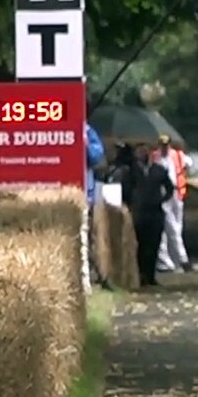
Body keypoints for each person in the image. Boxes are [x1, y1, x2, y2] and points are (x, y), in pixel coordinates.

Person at [120, 144, 174, 287]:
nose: (143, 153)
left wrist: (162, 199)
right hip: (139, 212)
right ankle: (140, 275)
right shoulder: (131, 171)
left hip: (155, 212)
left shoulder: (159, 170)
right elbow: (125, 190)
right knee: (140, 245)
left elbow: (170, 188)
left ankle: (150, 275)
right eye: (139, 150)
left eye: (145, 150)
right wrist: (131, 203)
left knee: (154, 244)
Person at [154, 135, 195, 274]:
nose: (164, 148)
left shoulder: (177, 155)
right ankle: (180, 260)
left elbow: (189, 164)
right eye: (162, 145)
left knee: (177, 227)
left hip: (177, 195)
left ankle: (173, 260)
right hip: (164, 195)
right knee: (171, 228)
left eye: (166, 145)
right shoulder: (155, 157)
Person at [83, 111, 108, 289]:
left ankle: (90, 277)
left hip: (85, 192)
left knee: (88, 236)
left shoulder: (88, 131)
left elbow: (97, 156)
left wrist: (86, 145)